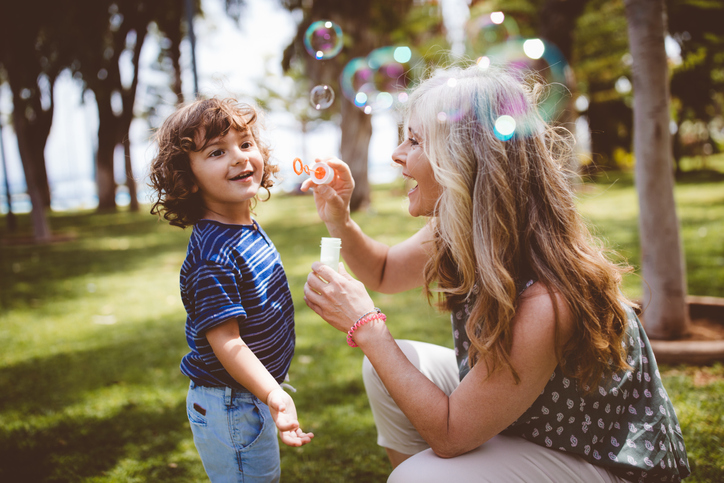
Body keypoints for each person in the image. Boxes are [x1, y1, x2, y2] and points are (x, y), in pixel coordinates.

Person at [302, 64, 690, 483]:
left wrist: (368, 327)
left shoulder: (549, 298)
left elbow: (450, 435)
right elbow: (382, 271)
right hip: (534, 422)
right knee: (394, 379)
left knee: (420, 476)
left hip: (602, 462)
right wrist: (340, 220)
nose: (397, 155)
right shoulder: (460, 226)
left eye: (414, 140)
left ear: (463, 161)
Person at [149, 98, 313, 482]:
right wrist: (273, 394)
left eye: (245, 143)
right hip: (231, 403)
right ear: (187, 178)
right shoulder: (213, 255)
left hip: (247, 394)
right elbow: (227, 343)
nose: (239, 157)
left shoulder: (245, 225)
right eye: (217, 151)